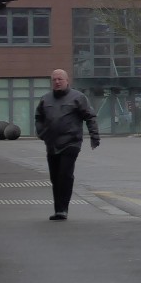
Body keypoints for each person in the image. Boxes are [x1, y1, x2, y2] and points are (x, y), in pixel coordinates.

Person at [35, 69, 100, 221]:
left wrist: (94, 136)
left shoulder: (78, 97)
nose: (57, 82)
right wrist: (41, 133)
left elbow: (90, 117)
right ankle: (58, 209)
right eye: (54, 80)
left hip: (71, 143)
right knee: (55, 177)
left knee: (65, 174)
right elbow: (38, 117)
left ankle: (63, 209)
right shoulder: (45, 99)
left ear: (66, 80)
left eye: (60, 79)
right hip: (52, 143)